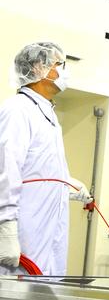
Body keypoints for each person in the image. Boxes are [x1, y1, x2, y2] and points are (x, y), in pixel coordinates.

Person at [0, 42, 91, 277]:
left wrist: (66, 184)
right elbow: (6, 170)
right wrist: (6, 227)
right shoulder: (18, 110)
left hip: (46, 229)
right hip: (22, 234)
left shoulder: (46, 113)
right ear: (40, 68)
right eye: (60, 65)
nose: (64, 72)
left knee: (44, 293)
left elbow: (35, 169)